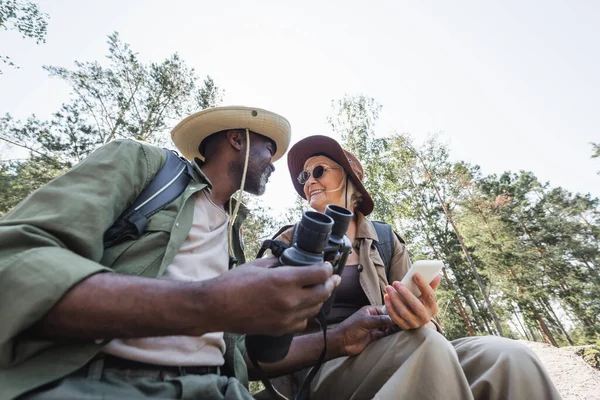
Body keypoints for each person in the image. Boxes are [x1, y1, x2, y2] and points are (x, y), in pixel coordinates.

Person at [0, 108, 396, 400]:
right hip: (101, 383)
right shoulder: (146, 168)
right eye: (269, 151)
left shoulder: (233, 239)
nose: (278, 169)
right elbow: (16, 262)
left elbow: (244, 356)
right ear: (237, 139)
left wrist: (342, 337)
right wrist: (208, 302)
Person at [268, 134, 561, 400]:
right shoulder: (287, 241)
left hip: (408, 349)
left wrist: (422, 315)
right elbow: (262, 331)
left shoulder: (385, 239)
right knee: (424, 348)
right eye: (304, 175)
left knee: (509, 357)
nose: (308, 181)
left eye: (318, 170)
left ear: (352, 179)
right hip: (321, 365)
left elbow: (427, 326)